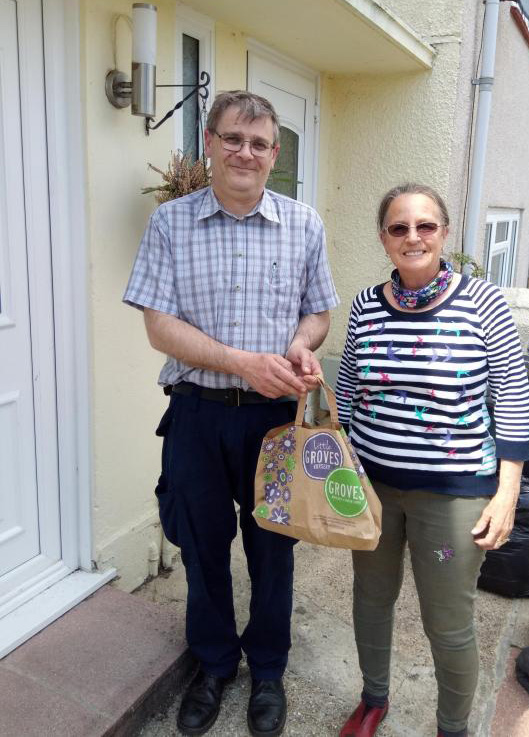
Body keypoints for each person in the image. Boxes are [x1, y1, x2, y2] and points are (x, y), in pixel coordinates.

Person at [124, 90, 339, 737]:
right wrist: (242, 361)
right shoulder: (171, 224)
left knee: (274, 547)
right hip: (197, 415)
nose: (246, 152)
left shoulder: (304, 225)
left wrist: (301, 343)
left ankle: (267, 668)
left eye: (260, 143)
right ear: (211, 144)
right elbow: (160, 327)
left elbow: (319, 311)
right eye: (233, 139)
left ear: (275, 154)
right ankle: (214, 663)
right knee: (201, 545)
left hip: (276, 422)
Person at [335, 183, 529, 737]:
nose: (413, 237)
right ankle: (373, 700)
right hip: (372, 490)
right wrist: (334, 454)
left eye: (425, 226)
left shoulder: (483, 303)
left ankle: (453, 728)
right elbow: (349, 385)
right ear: (384, 239)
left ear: (444, 233)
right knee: (371, 600)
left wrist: (507, 493)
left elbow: (513, 397)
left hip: (452, 497)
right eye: (399, 228)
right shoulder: (366, 306)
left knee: (446, 622)